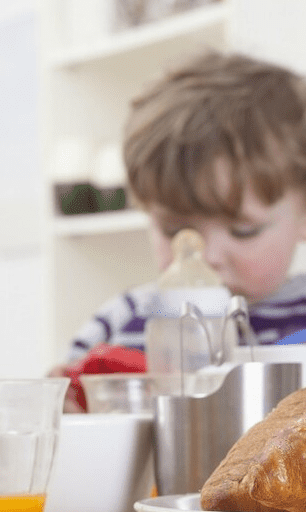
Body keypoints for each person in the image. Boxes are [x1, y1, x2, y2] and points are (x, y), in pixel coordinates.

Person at [65, 52, 306, 363]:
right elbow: (73, 400)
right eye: (175, 230)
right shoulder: (118, 326)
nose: (205, 258)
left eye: (243, 231)